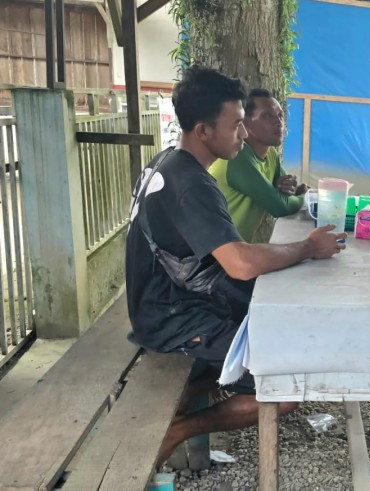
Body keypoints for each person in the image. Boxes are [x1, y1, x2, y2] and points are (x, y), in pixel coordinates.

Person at [125, 65, 347, 466]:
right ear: (203, 131)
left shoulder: (168, 162)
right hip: (172, 317)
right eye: (237, 125)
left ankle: (188, 400)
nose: (244, 135)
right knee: (284, 389)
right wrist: (308, 248)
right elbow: (241, 264)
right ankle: (179, 429)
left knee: (274, 317)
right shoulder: (191, 183)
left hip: (165, 300)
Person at [208, 88, 308, 243]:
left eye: (280, 115)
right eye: (268, 116)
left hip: (237, 249)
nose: (279, 122)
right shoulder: (236, 157)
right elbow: (280, 207)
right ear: (246, 123)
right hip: (213, 256)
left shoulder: (271, 154)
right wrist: (303, 196)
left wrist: (290, 188)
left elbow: (286, 191)